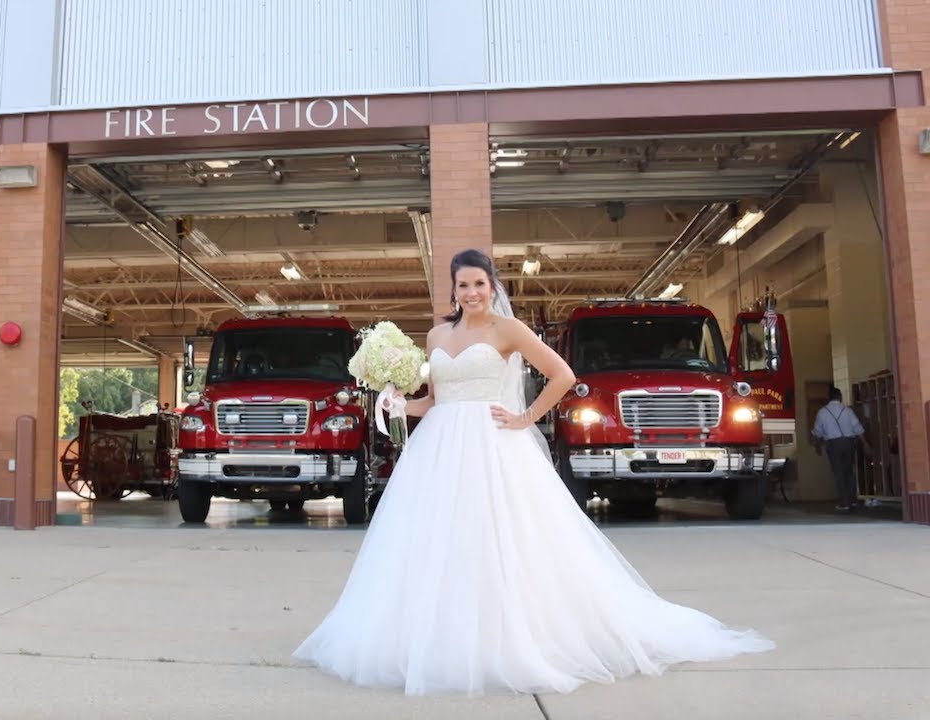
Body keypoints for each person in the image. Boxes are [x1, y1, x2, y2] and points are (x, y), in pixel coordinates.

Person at [292, 248, 775, 696]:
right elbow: (435, 400)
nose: (472, 293)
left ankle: (510, 634)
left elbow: (564, 376)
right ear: (453, 290)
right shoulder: (437, 336)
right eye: (463, 285)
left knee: (504, 536)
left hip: (493, 443)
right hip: (439, 447)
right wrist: (398, 404)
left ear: (492, 286)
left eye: (479, 284)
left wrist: (525, 418)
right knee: (440, 538)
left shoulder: (509, 330)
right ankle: (442, 632)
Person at [811, 386, 870, 512]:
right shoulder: (847, 411)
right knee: (849, 471)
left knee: (839, 473)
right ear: (840, 397)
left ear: (829, 397)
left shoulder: (822, 412)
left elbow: (817, 432)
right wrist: (865, 443)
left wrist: (817, 446)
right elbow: (857, 428)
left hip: (833, 445)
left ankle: (844, 502)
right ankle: (853, 500)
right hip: (849, 443)